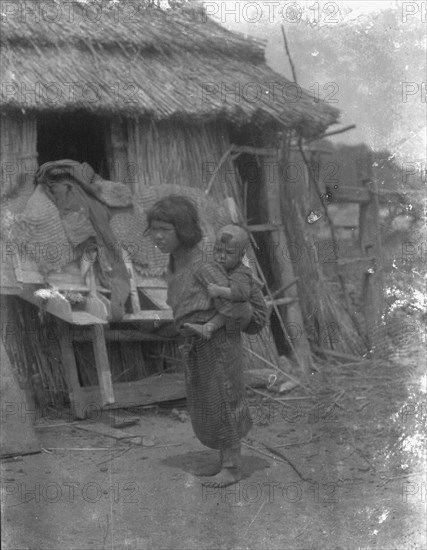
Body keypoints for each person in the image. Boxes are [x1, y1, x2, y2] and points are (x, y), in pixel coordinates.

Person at [146, 195, 266, 488]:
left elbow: (239, 309)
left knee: (224, 398)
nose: (157, 235)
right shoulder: (175, 264)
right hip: (197, 344)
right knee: (208, 403)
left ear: (183, 230)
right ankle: (224, 461)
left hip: (219, 343)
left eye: (165, 229)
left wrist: (211, 325)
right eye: (154, 229)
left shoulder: (204, 267)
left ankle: (233, 467)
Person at [184, 224, 264, 340]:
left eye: (229, 253)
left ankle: (208, 328)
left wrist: (219, 291)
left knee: (237, 302)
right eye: (218, 250)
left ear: (241, 256)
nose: (221, 256)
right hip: (235, 311)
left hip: (253, 317)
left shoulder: (241, 273)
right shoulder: (219, 267)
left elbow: (241, 294)